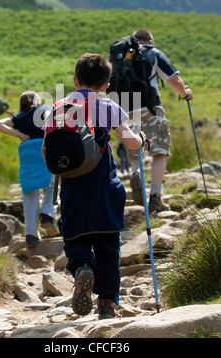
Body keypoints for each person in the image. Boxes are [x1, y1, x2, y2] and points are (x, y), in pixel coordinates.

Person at [44, 53, 146, 319]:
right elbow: (130, 142)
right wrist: (142, 138)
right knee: (108, 246)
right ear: (106, 85)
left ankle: (81, 269)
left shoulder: (57, 107)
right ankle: (107, 305)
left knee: (75, 238)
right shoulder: (108, 105)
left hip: (72, 187)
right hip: (104, 185)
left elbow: (48, 150)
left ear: (75, 79)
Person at [123, 29, 194, 213]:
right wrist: (185, 93)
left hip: (125, 110)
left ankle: (136, 174)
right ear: (149, 40)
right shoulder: (153, 53)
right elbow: (174, 80)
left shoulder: (124, 56)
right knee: (160, 150)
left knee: (134, 146)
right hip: (150, 106)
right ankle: (156, 196)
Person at [0, 90, 58, 247]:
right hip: (41, 148)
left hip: (27, 152)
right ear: (36, 100)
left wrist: (18, 134)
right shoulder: (42, 109)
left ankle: (30, 235)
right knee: (52, 183)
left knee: (29, 192)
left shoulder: (19, 117)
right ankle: (47, 215)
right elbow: (50, 120)